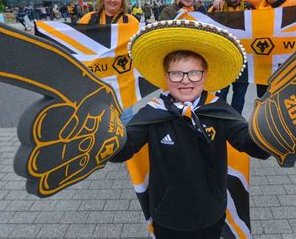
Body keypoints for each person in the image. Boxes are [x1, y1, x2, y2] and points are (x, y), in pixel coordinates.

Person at [111, 20, 270, 238]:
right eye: (176, 74)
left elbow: (251, 143)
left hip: (210, 214)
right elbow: (125, 148)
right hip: (167, 216)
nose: (185, 81)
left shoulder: (219, 110)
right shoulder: (151, 113)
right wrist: (102, 135)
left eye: (194, 73)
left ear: (205, 76)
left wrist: (278, 129)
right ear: (166, 77)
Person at [78, 0, 139, 124]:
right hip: (95, 79)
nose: (113, 0)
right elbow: (74, 41)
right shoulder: (88, 19)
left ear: (122, 0)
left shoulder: (131, 21)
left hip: (123, 80)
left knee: (125, 119)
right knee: (96, 119)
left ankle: (126, 146)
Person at [208, 0, 251, 114]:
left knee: (239, 99)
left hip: (244, 62)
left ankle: (235, 127)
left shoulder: (252, 8)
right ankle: (221, 126)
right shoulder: (216, 8)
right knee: (220, 97)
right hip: (223, 61)